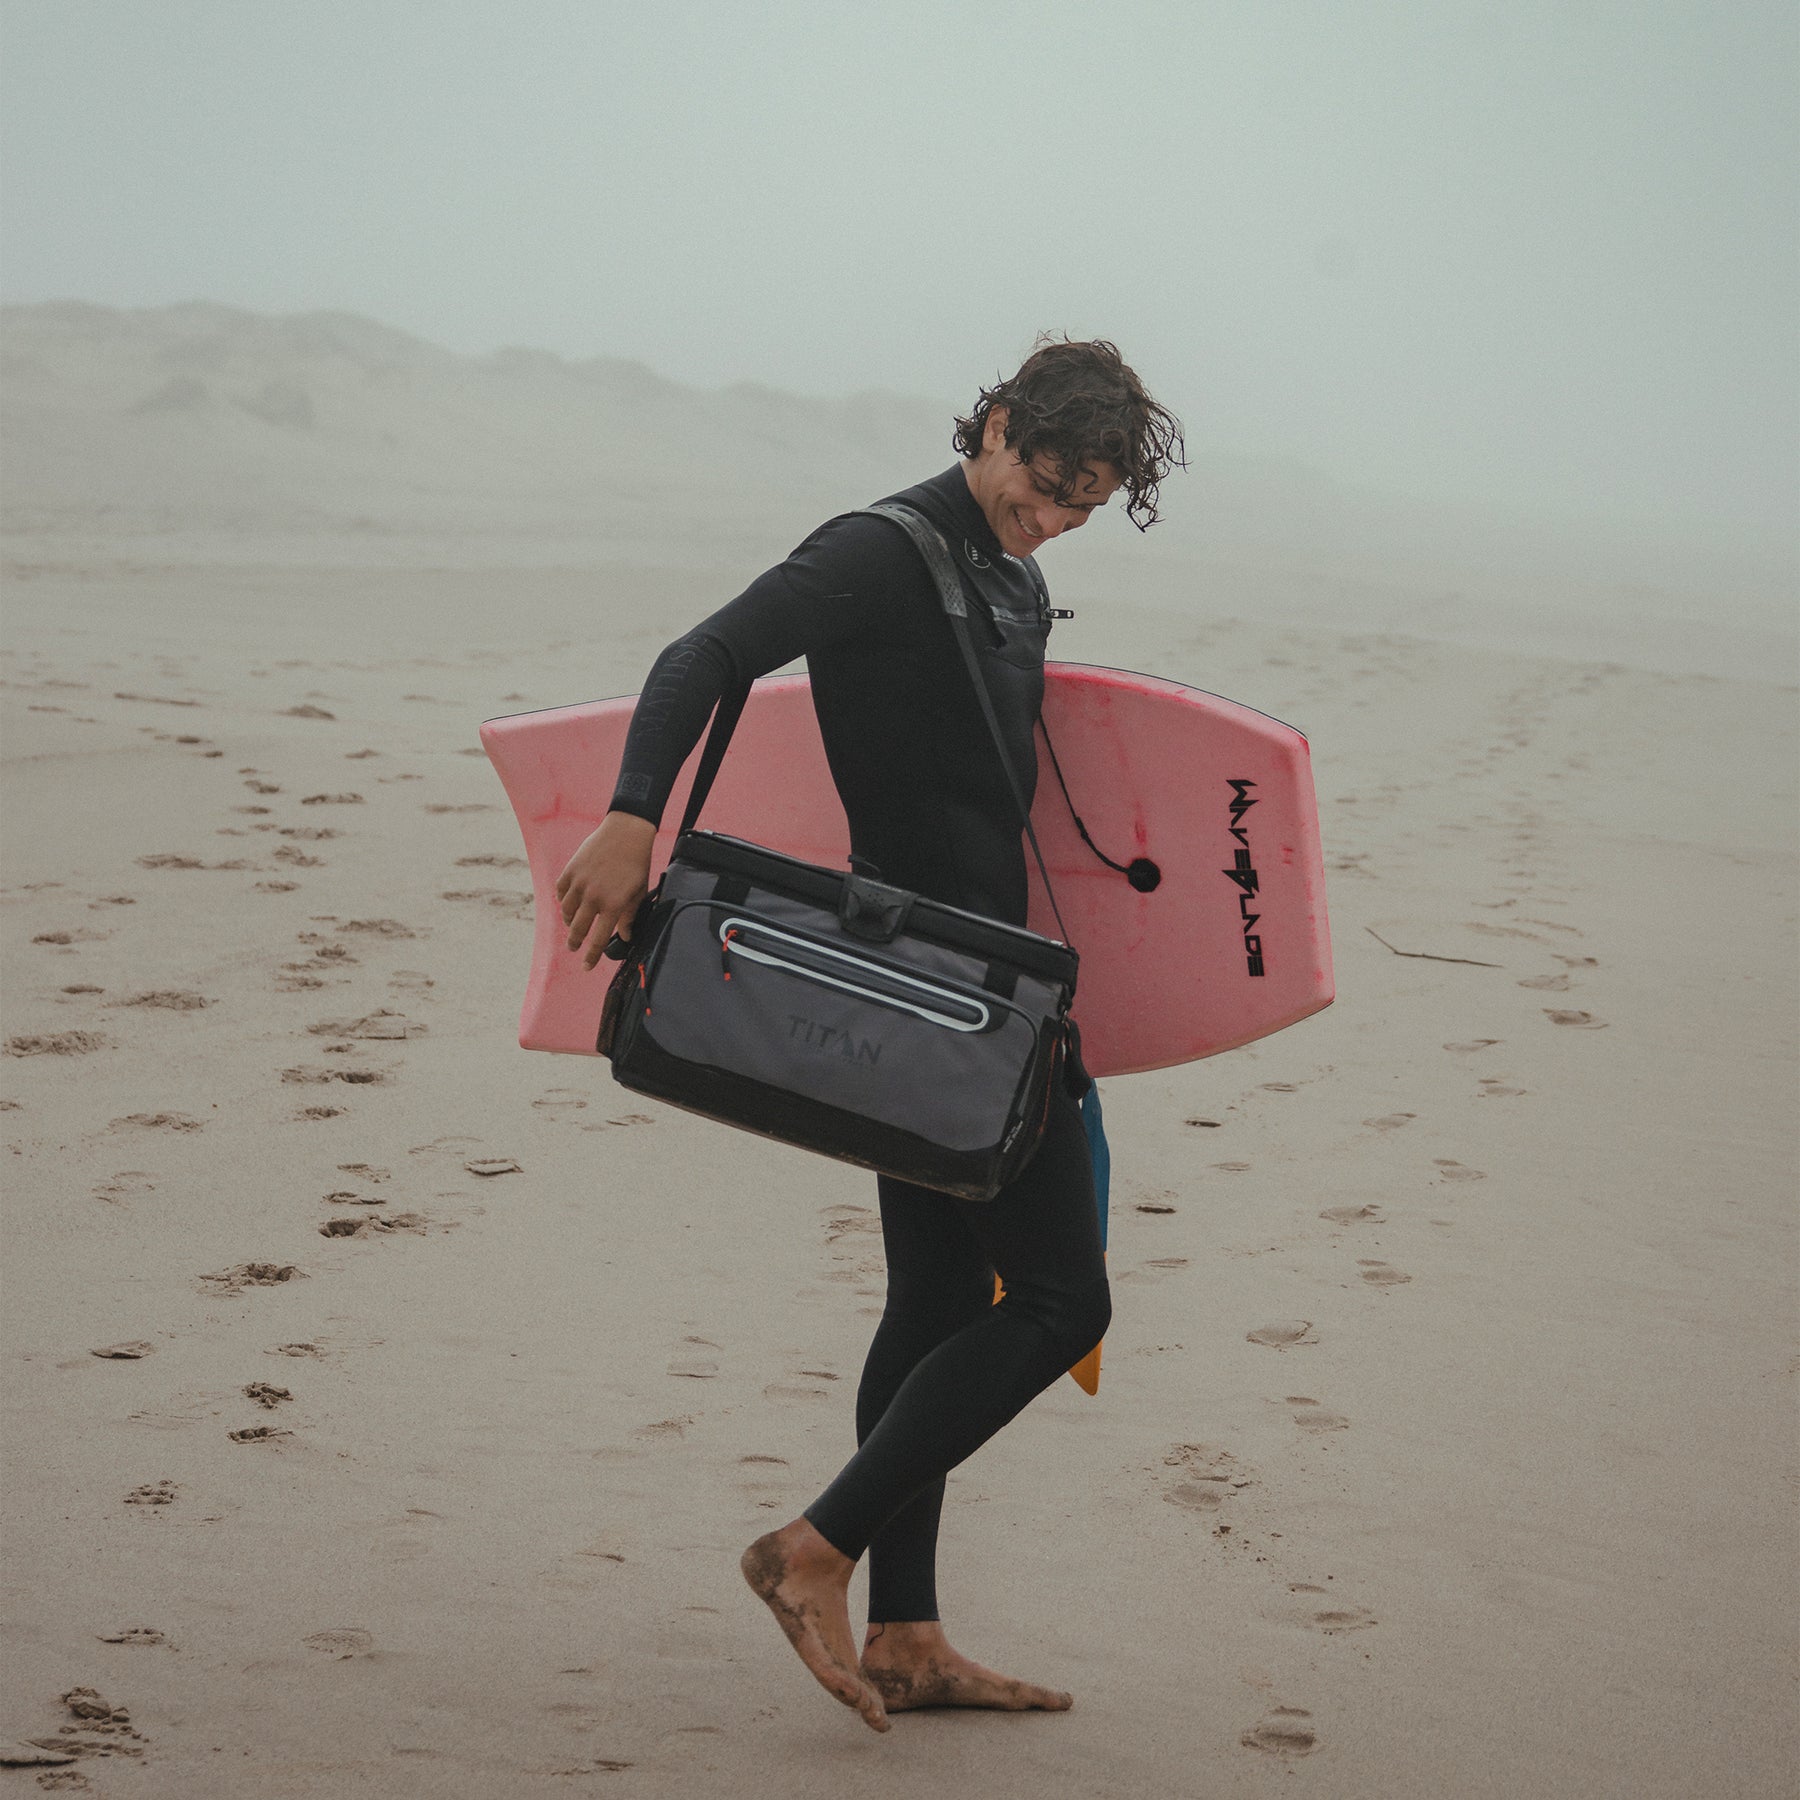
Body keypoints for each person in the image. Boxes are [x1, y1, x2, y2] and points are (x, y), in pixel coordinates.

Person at [556, 336, 1184, 1733]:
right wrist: (629, 814)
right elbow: (704, 653)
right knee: (1063, 1301)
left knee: (943, 1304)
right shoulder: (884, 551)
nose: (1052, 517)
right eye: (1042, 483)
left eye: (1082, 503)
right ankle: (812, 1551)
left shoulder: (1010, 577)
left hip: (988, 986)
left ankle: (904, 1631)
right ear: (997, 424)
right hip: (926, 994)